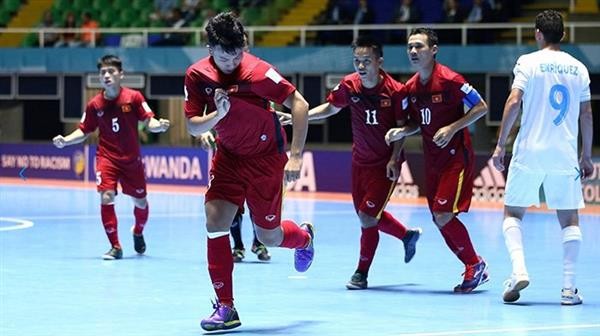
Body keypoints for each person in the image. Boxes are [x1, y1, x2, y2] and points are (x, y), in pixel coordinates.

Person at [183, 12, 313, 331]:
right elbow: (191, 124)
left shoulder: (258, 72)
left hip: (265, 158)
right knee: (215, 221)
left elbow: (300, 104)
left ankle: (305, 238)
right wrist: (217, 116)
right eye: (225, 56)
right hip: (228, 157)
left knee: (268, 236)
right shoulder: (197, 75)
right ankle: (226, 307)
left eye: (238, 53)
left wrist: (295, 157)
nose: (233, 61)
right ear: (210, 48)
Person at [281, 36, 422, 290]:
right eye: (357, 61)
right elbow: (330, 108)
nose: (361, 66)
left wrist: (393, 158)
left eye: (366, 61)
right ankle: (407, 235)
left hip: (385, 165)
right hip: (360, 162)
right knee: (366, 215)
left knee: (368, 217)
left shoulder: (396, 91)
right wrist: (295, 118)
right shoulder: (349, 85)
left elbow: (403, 129)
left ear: (379, 62)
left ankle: (361, 273)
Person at [491, 10, 593, 305]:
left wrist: (500, 145)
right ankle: (568, 289)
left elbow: (514, 101)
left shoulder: (527, 62)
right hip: (564, 154)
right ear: (563, 35)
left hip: (529, 151)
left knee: (513, 213)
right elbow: (586, 114)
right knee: (569, 219)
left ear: (537, 33)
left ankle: (519, 270)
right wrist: (586, 156)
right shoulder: (579, 68)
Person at [386, 28, 489, 293]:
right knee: (438, 217)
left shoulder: (451, 80)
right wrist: (402, 131)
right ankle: (475, 266)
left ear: (433, 50)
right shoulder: (410, 88)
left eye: (419, 46)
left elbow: (481, 107)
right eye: (409, 46)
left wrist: (453, 127)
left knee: (443, 214)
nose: (413, 51)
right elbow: (414, 124)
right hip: (432, 159)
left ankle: (474, 264)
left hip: (456, 157)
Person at [53, 55, 170, 260]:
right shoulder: (94, 104)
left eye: (111, 72)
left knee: (141, 202)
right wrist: (66, 140)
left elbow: (149, 120)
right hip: (106, 158)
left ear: (121, 74)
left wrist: (158, 126)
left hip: (131, 161)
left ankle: (138, 231)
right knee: (106, 196)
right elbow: (84, 130)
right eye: (103, 73)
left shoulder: (134, 98)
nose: (106, 75)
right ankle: (115, 246)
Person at [197, 130, 271, 262]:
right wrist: (204, 131)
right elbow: (203, 116)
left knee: (258, 205)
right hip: (228, 159)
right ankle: (238, 246)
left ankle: (258, 244)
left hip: (257, 157)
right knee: (231, 206)